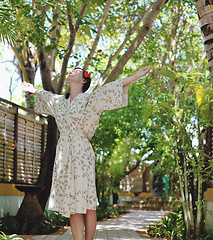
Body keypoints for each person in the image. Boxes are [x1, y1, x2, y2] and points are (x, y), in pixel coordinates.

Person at [21, 66, 151, 240]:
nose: (72, 72)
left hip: (82, 151)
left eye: (77, 71)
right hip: (63, 154)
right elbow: (47, 97)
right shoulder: (60, 102)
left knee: (88, 203)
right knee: (72, 203)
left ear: (83, 80)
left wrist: (133, 77)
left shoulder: (90, 98)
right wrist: (34, 90)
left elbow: (107, 89)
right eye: (72, 70)